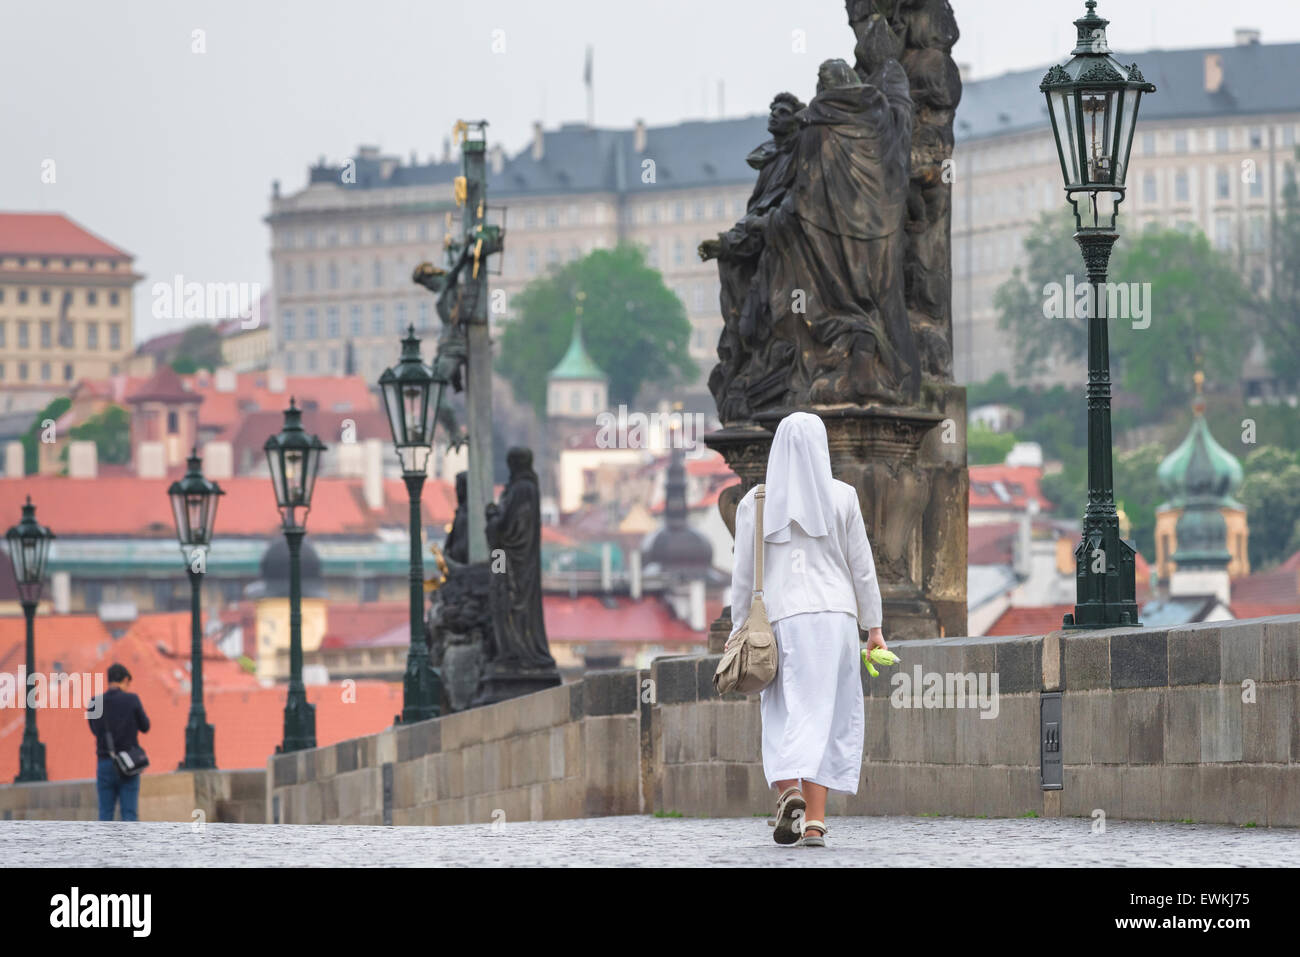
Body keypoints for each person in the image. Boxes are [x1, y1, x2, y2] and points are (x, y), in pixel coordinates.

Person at [728, 412, 886, 847]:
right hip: (836, 620)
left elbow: (743, 577)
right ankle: (814, 822)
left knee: (782, 713)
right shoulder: (843, 497)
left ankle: (789, 793)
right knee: (827, 718)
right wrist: (873, 627)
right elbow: (863, 568)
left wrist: (737, 627)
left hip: (780, 623)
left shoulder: (753, 503)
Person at [87, 663, 150, 822]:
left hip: (105, 762)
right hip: (129, 762)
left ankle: (105, 846)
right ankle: (129, 847)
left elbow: (94, 730)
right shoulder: (132, 700)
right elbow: (145, 726)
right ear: (125, 680)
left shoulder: (94, 702)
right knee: (129, 813)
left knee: (105, 813)